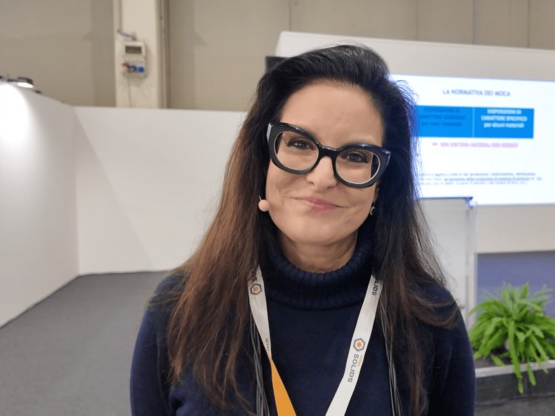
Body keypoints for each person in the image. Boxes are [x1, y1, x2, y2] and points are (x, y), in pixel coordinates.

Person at [130, 44, 476, 416]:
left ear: (380, 185)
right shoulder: (181, 307)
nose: (322, 177)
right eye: (298, 143)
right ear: (263, 160)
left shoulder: (430, 318)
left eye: (356, 156)